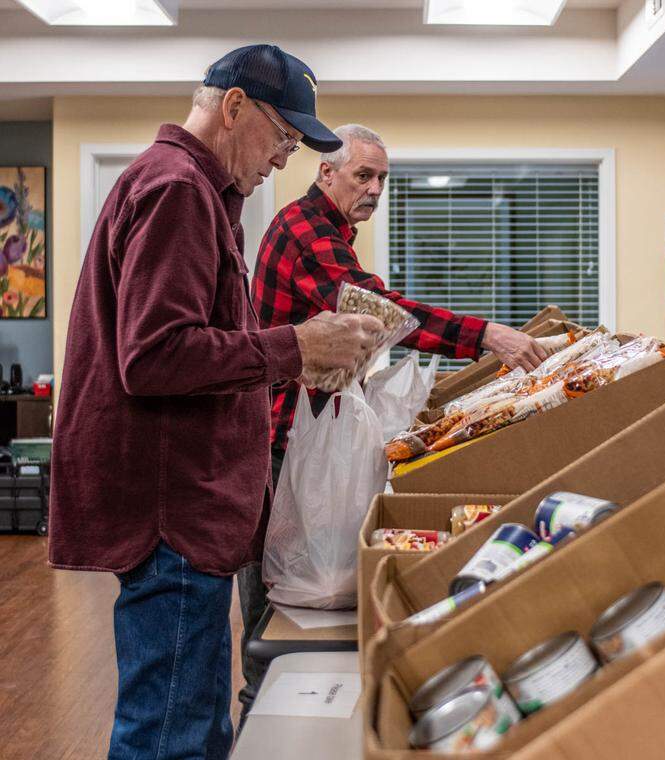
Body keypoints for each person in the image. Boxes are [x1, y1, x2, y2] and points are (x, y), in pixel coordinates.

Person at [47, 45, 382, 760]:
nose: (284, 161)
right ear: (234, 109)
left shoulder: (194, 190)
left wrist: (290, 350)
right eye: (284, 140)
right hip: (173, 518)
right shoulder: (178, 189)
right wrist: (296, 348)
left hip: (184, 512)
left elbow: (196, 342)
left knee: (193, 724)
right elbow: (157, 355)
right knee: (171, 732)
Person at [240, 122, 546, 717]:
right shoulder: (305, 230)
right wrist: (485, 335)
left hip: (299, 435)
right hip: (278, 440)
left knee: (295, 604)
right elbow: (377, 312)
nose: (376, 188)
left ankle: (284, 714)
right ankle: (259, 723)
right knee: (272, 615)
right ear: (326, 173)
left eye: (383, 177)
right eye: (363, 175)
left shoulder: (332, 229)